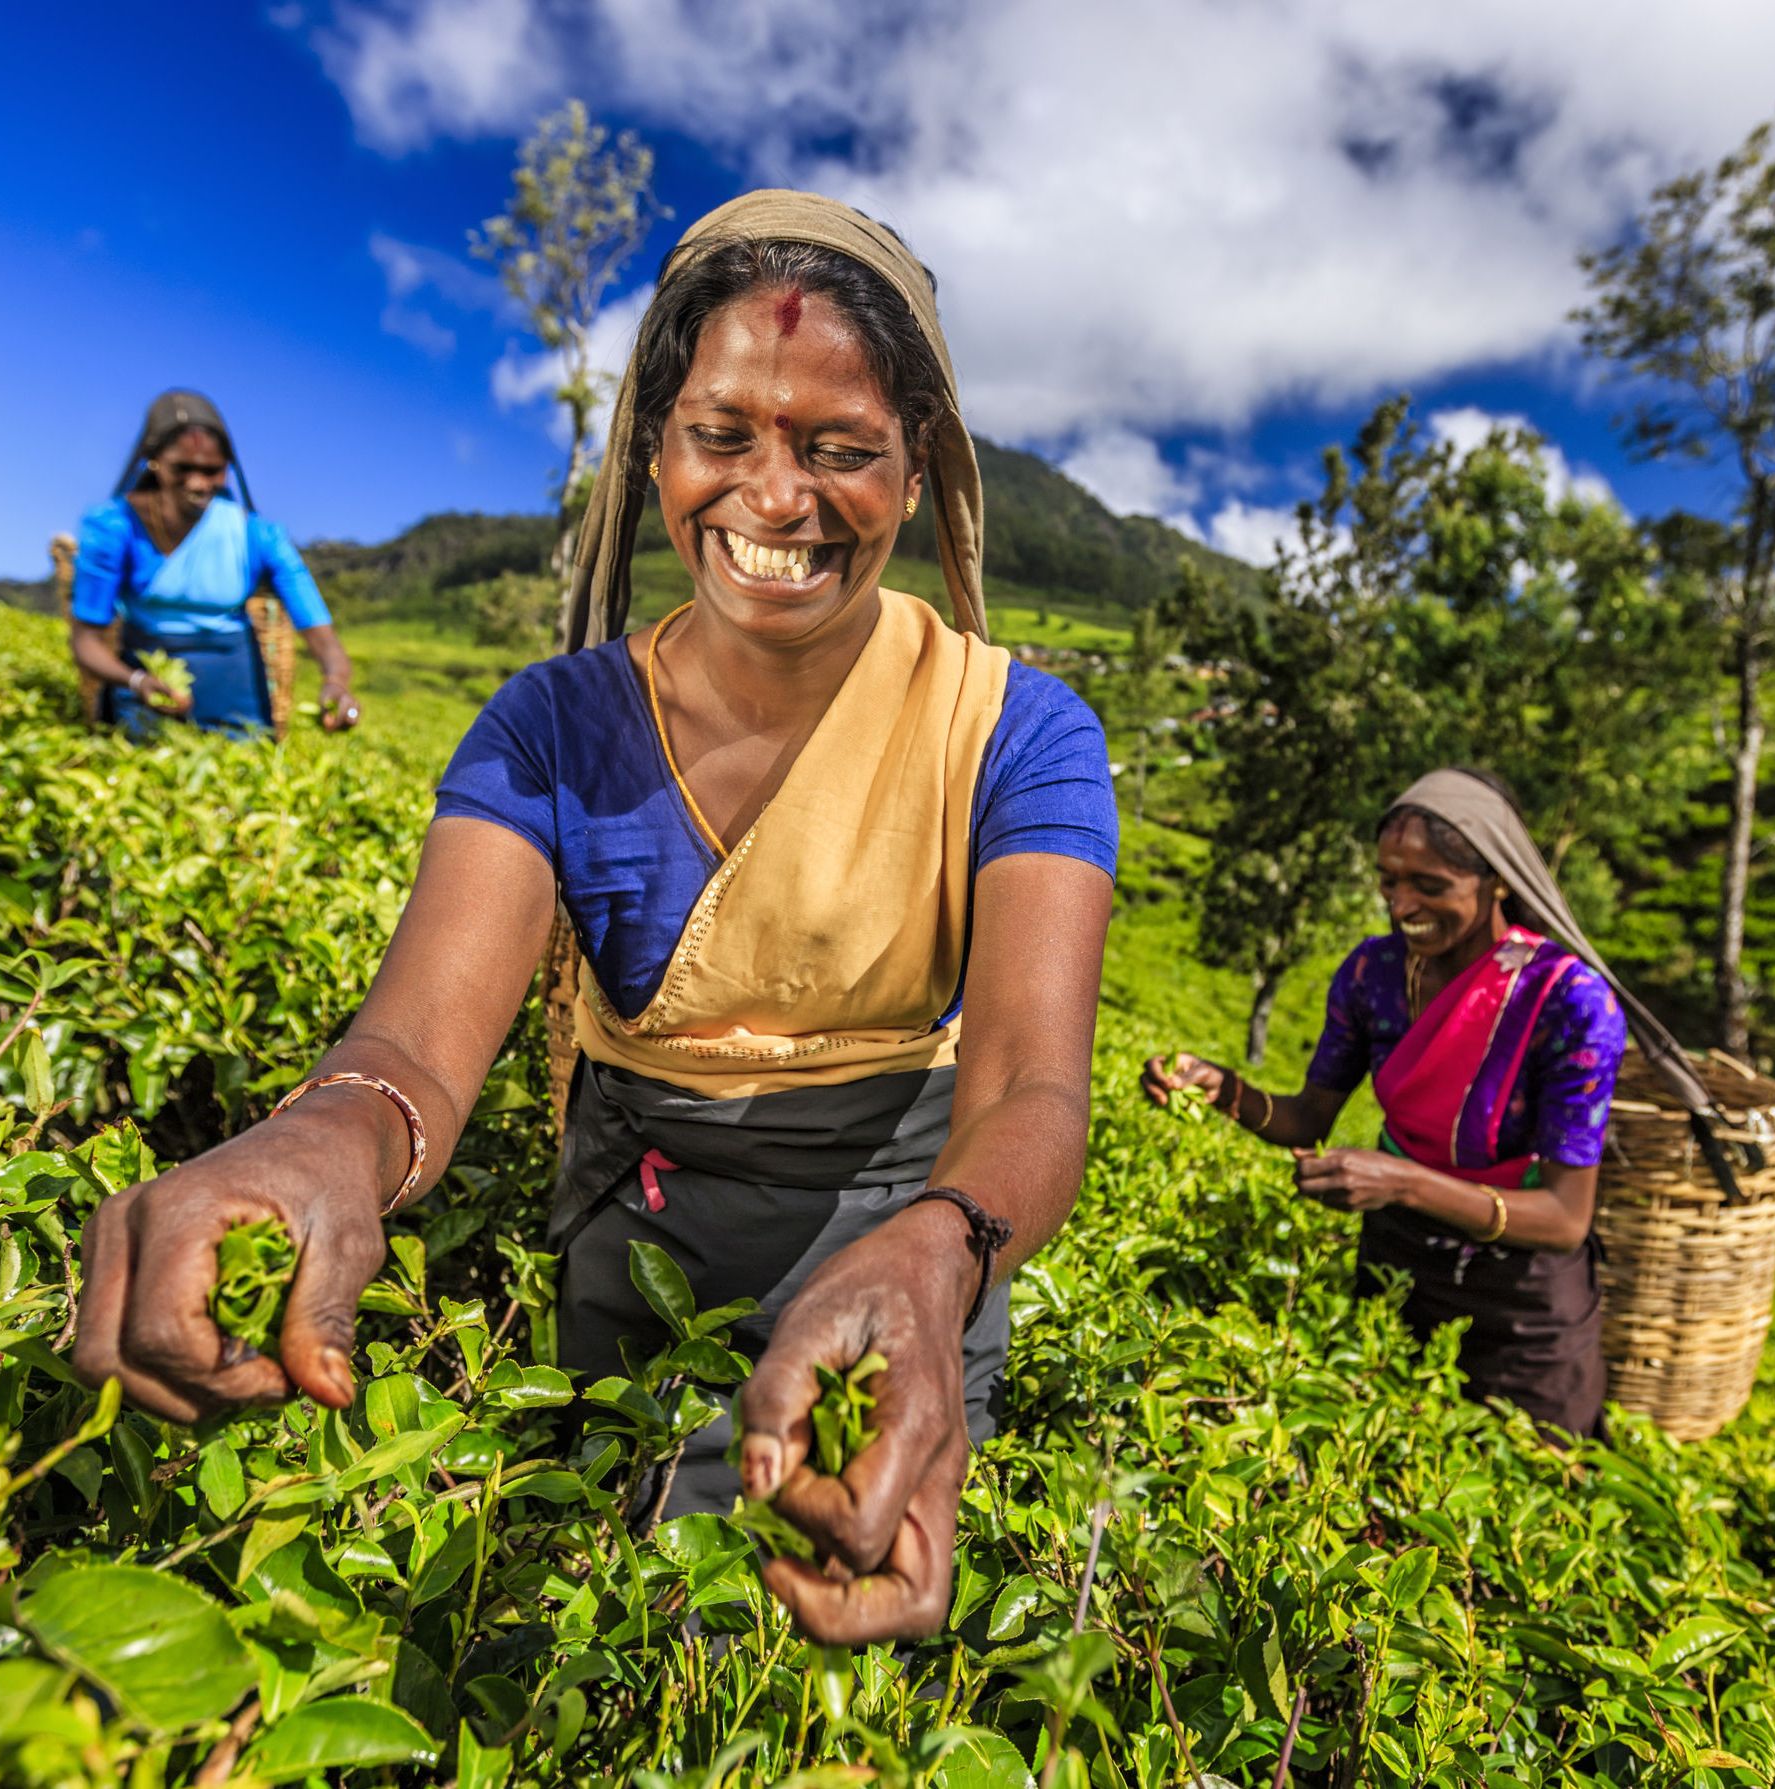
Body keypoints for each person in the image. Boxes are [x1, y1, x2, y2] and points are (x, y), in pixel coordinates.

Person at [71, 193, 1117, 1643]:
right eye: (721, 435)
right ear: (654, 447)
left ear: (918, 462)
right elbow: (417, 1047)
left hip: (915, 1247)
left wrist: (937, 1257)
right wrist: (320, 1140)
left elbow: (1028, 1087)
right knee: (604, 1605)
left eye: (840, 449)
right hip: (642, 1232)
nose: (773, 500)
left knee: (797, 1643)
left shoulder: (1020, 735)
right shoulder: (550, 725)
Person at [1143, 769, 1727, 1442]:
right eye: (1388, 881)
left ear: (1497, 880)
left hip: (1521, 1309)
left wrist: (1402, 1183)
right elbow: (1307, 1117)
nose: (1400, 906)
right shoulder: (1373, 974)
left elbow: (1567, 1218)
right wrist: (1223, 1089)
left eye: (1428, 884)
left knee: (1535, 1477)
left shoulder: (1567, 1002)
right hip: (1396, 1275)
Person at [67, 389, 361, 736]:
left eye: (212, 471)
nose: (197, 483)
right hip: (143, 683)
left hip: (234, 688)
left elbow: (318, 629)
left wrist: (335, 681)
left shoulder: (257, 535)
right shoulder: (113, 527)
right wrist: (135, 681)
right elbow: (85, 640)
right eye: (183, 468)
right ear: (154, 460)